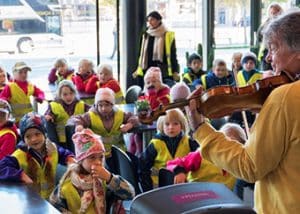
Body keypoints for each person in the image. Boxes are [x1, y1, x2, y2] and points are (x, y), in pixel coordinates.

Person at [185, 10, 300, 213]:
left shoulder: (285, 97)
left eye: (273, 48)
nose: (268, 58)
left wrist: (200, 128)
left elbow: (249, 166)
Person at [49, 129, 135, 213]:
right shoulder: (68, 183)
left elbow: (130, 194)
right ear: (81, 160)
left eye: (101, 157)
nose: (98, 162)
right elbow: (55, 205)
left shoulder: (106, 179)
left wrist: (109, 178)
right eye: (92, 157)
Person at [0, 112, 75, 199]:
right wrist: (20, 175)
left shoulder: (53, 148)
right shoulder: (19, 155)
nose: (34, 139)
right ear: (23, 139)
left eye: (37, 134)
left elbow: (65, 154)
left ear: (45, 134)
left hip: (50, 199)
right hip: (29, 200)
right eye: (28, 136)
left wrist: (70, 160)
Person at [166, 123, 247, 190]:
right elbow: (175, 163)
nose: (228, 148)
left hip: (221, 201)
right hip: (196, 196)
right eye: (226, 142)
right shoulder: (201, 155)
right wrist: (180, 171)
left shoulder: (237, 162)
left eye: (235, 144)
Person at [139, 108, 199, 192]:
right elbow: (143, 167)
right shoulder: (156, 144)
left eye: (175, 124)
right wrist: (148, 190)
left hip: (184, 186)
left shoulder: (188, 142)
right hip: (159, 187)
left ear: (181, 125)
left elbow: (199, 161)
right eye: (167, 124)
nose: (171, 127)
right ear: (161, 126)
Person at [68, 88, 138, 156]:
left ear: (112, 105)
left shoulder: (119, 114)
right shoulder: (91, 115)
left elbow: (134, 117)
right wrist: (79, 125)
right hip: (97, 152)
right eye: (100, 105)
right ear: (96, 105)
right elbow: (76, 118)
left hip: (118, 151)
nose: (103, 109)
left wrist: (129, 125)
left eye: (107, 105)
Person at [133, 11, 180, 88]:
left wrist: (175, 70)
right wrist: (138, 68)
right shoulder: (146, 34)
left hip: (162, 69)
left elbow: (173, 54)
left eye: (152, 20)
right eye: (148, 20)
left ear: (158, 20)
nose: (150, 22)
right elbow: (141, 54)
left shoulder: (167, 34)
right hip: (147, 67)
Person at [44, 80, 90, 148]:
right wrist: (48, 116)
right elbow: (48, 115)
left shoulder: (81, 104)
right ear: (60, 95)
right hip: (61, 141)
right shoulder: (54, 105)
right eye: (65, 94)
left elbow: (92, 111)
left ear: (74, 93)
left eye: (71, 93)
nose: (68, 97)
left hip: (77, 140)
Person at [257, 2, 283, 70]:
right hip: (266, 53)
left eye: (276, 12)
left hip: (280, 53)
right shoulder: (264, 25)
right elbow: (259, 38)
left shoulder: (284, 24)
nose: (274, 15)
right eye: (272, 13)